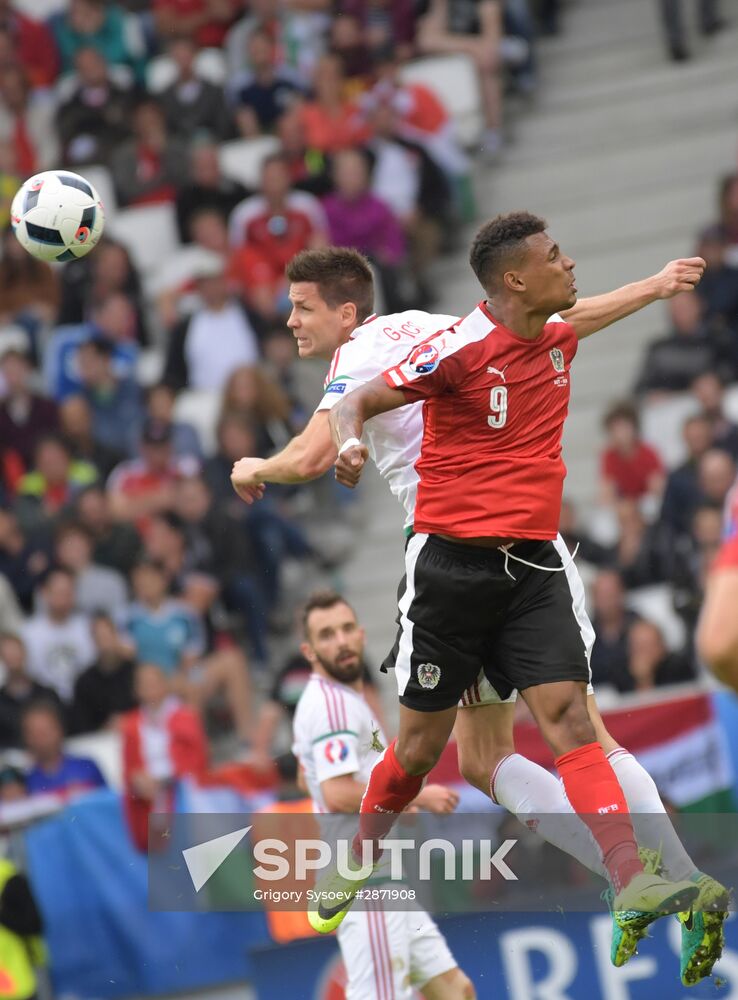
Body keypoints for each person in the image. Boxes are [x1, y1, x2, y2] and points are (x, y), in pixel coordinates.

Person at [231, 245, 727, 983]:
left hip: (455, 550)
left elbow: (308, 455)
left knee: (480, 753)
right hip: (535, 546)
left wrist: (255, 468)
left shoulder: (359, 354)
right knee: (551, 738)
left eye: (302, 308)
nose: (291, 321)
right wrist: (652, 288)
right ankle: (669, 878)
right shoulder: (430, 325)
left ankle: (650, 877)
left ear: (346, 311)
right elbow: (553, 323)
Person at [292, 590, 474, 1000]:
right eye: (326, 635)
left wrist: (388, 804)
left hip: (382, 878)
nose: (340, 641)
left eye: (345, 629)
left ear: (360, 634)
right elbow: (335, 792)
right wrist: (414, 799)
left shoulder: (336, 701)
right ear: (309, 651)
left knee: (456, 991)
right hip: (363, 882)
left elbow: (308, 778)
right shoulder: (333, 707)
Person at [22, 567, 95, 703]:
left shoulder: (89, 627)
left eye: (68, 592)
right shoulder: (28, 633)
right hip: (43, 702)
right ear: (44, 593)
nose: (64, 598)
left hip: (86, 701)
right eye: (59, 592)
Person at [22, 699, 106, 798]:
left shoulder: (86, 767)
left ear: (60, 729)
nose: (41, 738)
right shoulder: (25, 781)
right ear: (26, 738)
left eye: (46, 731)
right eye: (34, 733)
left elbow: (109, 801)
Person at [71, 612, 137, 734]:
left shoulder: (135, 672)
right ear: (93, 640)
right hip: (100, 739)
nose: (105, 642)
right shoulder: (84, 682)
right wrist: (105, 728)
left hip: (136, 734)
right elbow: (81, 724)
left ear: (116, 635)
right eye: (99, 637)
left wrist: (129, 721)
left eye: (107, 635)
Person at [0, 632, 61, 749]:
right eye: (7, 655)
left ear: (25, 653)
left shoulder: (48, 695)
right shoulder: (1, 704)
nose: (12, 658)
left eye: (15, 653)